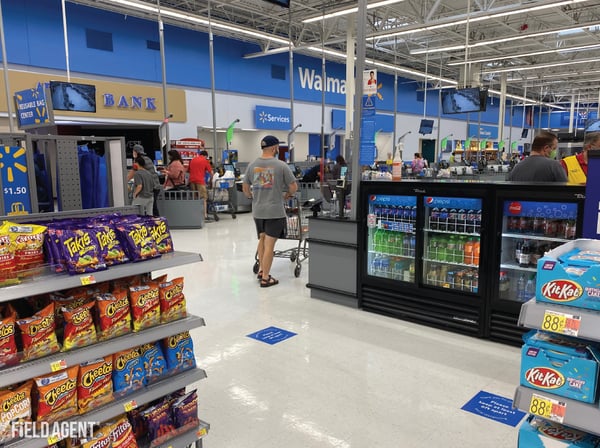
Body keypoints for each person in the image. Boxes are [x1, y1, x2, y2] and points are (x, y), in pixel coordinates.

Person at [242, 135, 298, 288]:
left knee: (262, 240)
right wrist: (286, 196)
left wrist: (251, 196)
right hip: (274, 211)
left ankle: (261, 270)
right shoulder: (281, 165)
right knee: (269, 245)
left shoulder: (252, 165)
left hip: (258, 211)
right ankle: (266, 278)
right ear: (274, 148)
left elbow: (245, 187)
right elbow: (294, 186)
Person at [128, 144, 161, 216]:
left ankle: (156, 222)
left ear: (136, 152)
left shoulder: (139, 161)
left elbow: (131, 174)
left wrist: (123, 181)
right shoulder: (147, 158)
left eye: (133, 151)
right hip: (155, 185)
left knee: (147, 207)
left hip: (150, 187)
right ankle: (156, 222)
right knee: (152, 207)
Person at [188, 150, 213, 220]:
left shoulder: (192, 160)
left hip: (192, 181)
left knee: (195, 198)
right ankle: (205, 215)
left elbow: (188, 171)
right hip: (200, 181)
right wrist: (211, 181)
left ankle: (195, 216)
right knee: (203, 198)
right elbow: (211, 172)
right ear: (205, 156)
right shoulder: (205, 160)